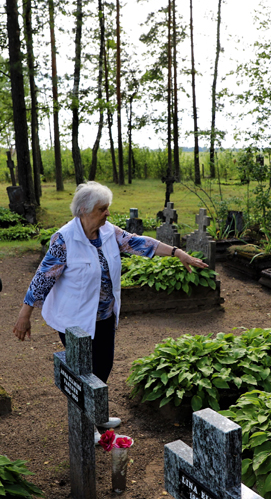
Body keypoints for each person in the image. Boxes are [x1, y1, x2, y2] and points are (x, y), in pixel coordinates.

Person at [13, 181, 207, 443]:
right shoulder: (64, 239)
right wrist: (25, 315)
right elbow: (43, 277)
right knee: (84, 373)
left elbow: (140, 243)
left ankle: (97, 416)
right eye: (102, 209)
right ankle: (89, 425)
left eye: (107, 208)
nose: (107, 214)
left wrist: (176, 252)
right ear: (83, 210)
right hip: (74, 322)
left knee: (102, 369)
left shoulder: (108, 232)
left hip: (104, 316)